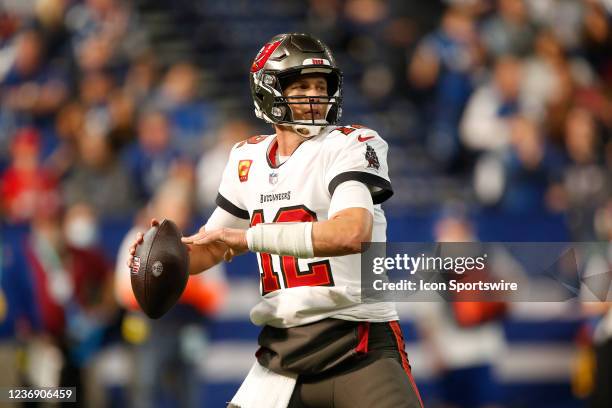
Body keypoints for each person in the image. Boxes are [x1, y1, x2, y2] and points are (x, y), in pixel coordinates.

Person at [129, 32, 422, 408]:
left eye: (321, 85)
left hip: (358, 342)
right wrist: (166, 257)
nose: (315, 95)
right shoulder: (246, 158)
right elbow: (215, 245)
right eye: (302, 86)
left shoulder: (349, 144)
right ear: (269, 91)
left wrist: (251, 238)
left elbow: (353, 232)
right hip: (284, 354)